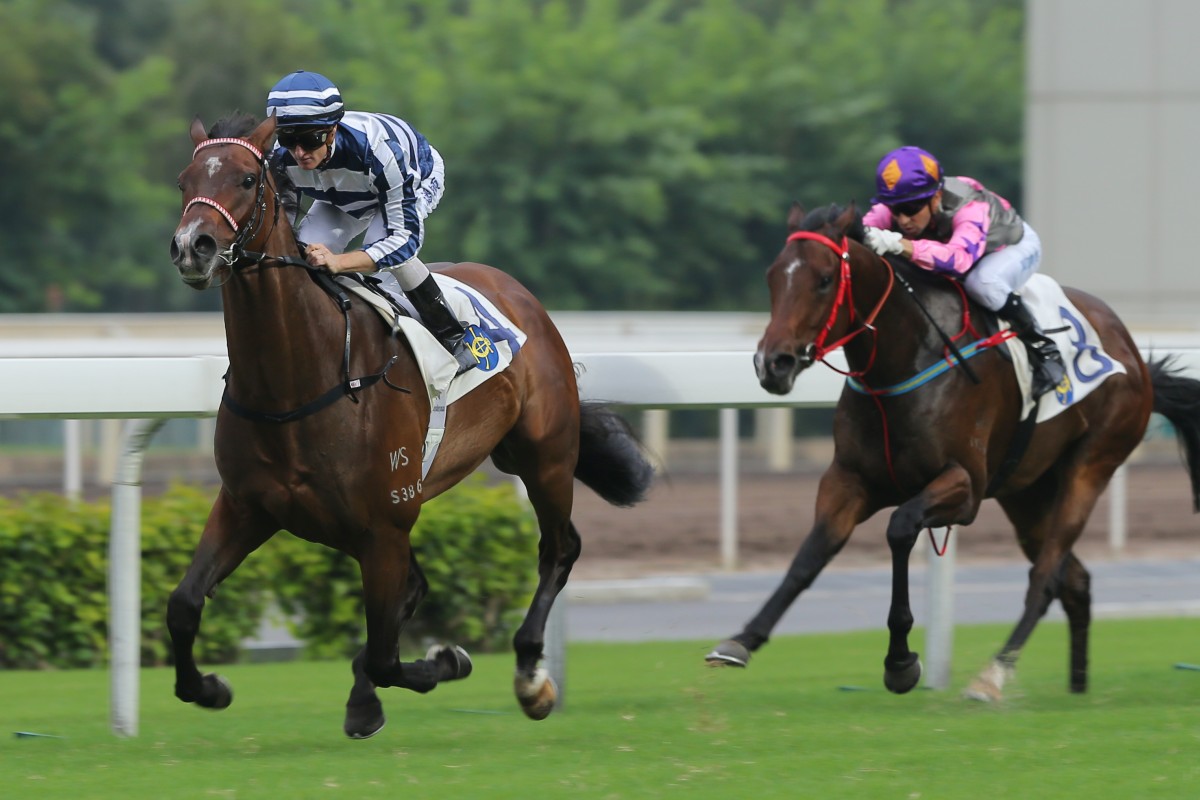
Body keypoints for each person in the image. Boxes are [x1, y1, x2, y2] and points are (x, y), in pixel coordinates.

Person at [265, 70, 477, 372]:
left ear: (332, 130)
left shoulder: (379, 152)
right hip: (338, 192)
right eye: (287, 139)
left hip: (411, 180)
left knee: (387, 254)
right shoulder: (280, 158)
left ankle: (454, 337)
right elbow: (280, 234)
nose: (299, 152)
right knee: (301, 254)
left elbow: (403, 242)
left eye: (309, 140)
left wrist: (340, 262)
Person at [860, 145, 1067, 398]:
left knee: (982, 285)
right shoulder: (891, 210)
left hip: (1008, 247)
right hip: (958, 249)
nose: (903, 220)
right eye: (895, 209)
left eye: (912, 208)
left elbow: (959, 261)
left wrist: (897, 243)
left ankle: (1043, 349)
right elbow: (857, 238)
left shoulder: (969, 205)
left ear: (936, 197)